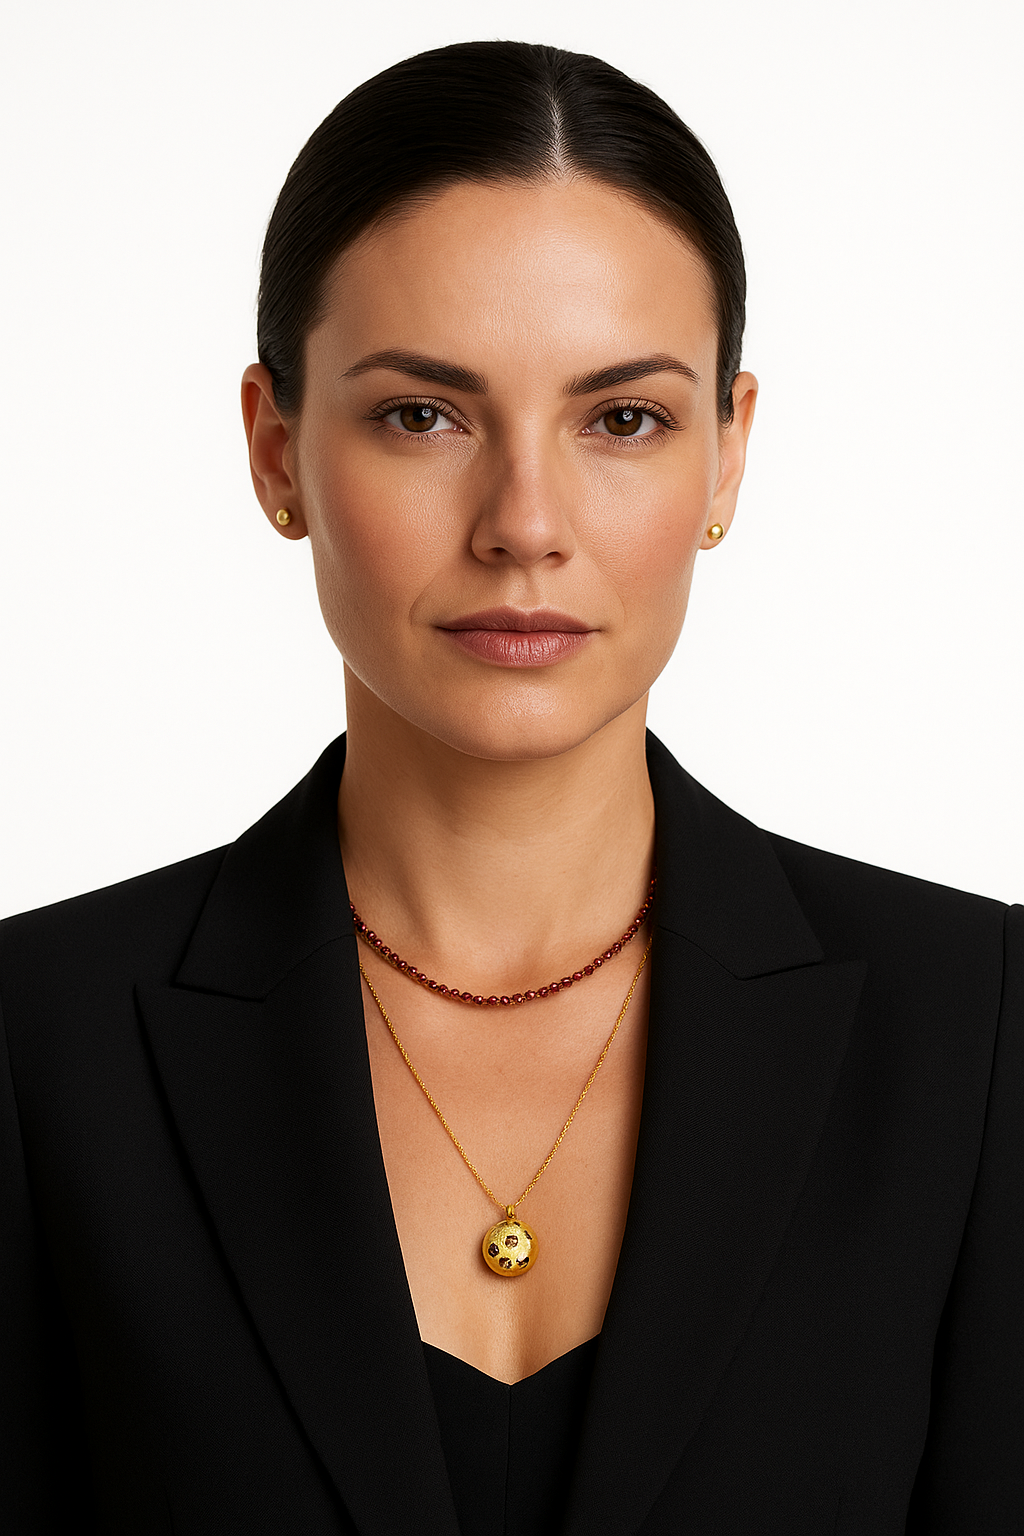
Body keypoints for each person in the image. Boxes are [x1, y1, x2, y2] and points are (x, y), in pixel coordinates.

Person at [0, 38, 1019, 1536]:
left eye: (623, 419)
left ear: (729, 457)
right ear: (277, 451)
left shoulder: (981, 1033)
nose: (524, 524)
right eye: (423, 414)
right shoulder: (38, 1044)